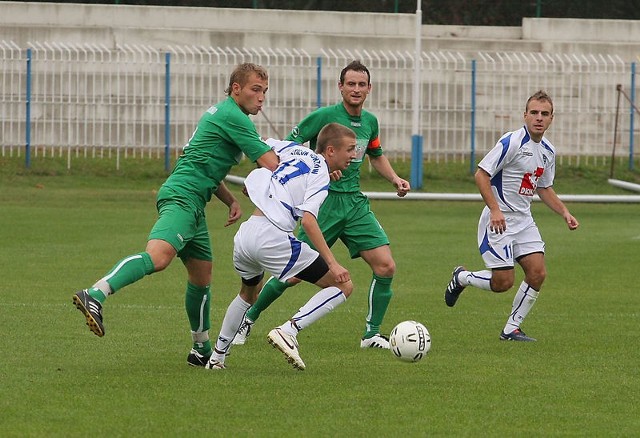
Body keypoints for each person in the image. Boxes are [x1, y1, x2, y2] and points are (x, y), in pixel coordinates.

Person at [72, 63, 279, 366]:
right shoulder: (236, 118)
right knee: (159, 257)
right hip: (183, 195)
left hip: (194, 200)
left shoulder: (222, 113)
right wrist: (307, 165)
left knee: (202, 274)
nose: (261, 97)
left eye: (265, 91)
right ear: (236, 89)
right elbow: (270, 162)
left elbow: (198, 159)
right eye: (255, 89)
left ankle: (201, 349)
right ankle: (95, 293)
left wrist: (229, 198)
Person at [233, 60, 410, 349]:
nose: (356, 89)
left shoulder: (371, 122)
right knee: (293, 275)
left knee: (386, 266)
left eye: (361, 84)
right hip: (321, 202)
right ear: (340, 87)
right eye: (350, 84)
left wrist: (394, 178)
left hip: (353, 204)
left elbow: (375, 154)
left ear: (369, 88)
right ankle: (248, 319)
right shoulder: (324, 117)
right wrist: (316, 169)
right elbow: (289, 147)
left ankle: (371, 334)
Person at [205, 123, 357, 371]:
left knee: (247, 295)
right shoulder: (320, 173)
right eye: (350, 149)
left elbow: (258, 145)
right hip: (272, 237)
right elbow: (308, 220)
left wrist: (254, 180)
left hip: (247, 233)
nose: (354, 155)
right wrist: (332, 262)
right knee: (343, 285)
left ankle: (217, 357)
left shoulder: (291, 148)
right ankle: (289, 330)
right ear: (330, 150)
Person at [444, 90, 579, 341]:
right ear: (525, 115)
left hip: (524, 220)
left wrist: (564, 212)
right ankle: (461, 277)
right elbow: (481, 174)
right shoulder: (512, 142)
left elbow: (543, 187)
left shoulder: (548, 150)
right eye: (534, 113)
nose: (539, 118)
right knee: (503, 282)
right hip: (499, 219)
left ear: (551, 119)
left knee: (538, 273)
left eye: (545, 114)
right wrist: (495, 210)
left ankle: (511, 329)